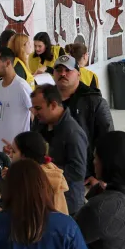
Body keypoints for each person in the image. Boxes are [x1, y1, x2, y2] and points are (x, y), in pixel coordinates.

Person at [55, 54, 114, 188]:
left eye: (68, 70)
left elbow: (108, 142)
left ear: (78, 74)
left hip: (85, 180)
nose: (62, 74)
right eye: (58, 70)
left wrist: (99, 176)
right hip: (55, 177)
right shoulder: (47, 100)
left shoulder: (95, 102)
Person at [31, 84, 88, 214]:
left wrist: (46, 173)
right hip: (46, 198)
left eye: (38, 108)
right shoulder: (40, 124)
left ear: (53, 105)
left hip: (67, 203)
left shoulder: (73, 133)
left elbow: (77, 171)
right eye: (33, 108)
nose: (35, 113)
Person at [7, 131, 69, 215]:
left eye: (14, 152)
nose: (10, 155)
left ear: (25, 156)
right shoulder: (49, 171)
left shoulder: (30, 180)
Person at [0, 47, 33, 148]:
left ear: (7, 63)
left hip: (18, 149)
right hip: (1, 148)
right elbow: (0, 119)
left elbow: (34, 114)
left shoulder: (21, 86)